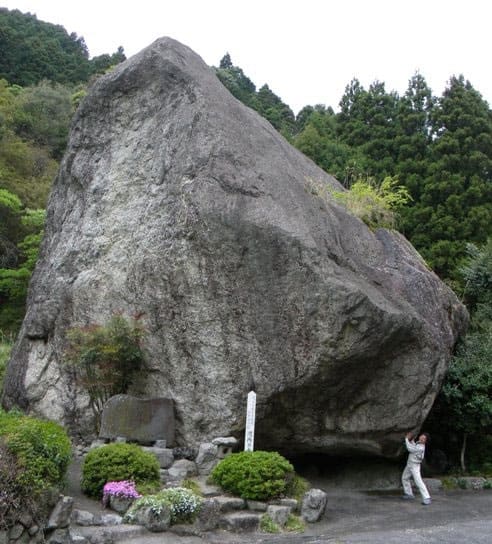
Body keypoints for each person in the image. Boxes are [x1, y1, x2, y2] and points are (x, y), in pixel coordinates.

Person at [401, 431, 431, 505]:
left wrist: (406, 439)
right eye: (421, 436)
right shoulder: (418, 443)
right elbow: (414, 446)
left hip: (415, 466)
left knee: (418, 481)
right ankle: (409, 494)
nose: (421, 438)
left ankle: (427, 497)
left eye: (424, 439)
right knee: (404, 478)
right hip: (409, 464)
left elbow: (410, 449)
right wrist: (412, 441)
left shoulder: (421, 448)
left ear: (425, 441)